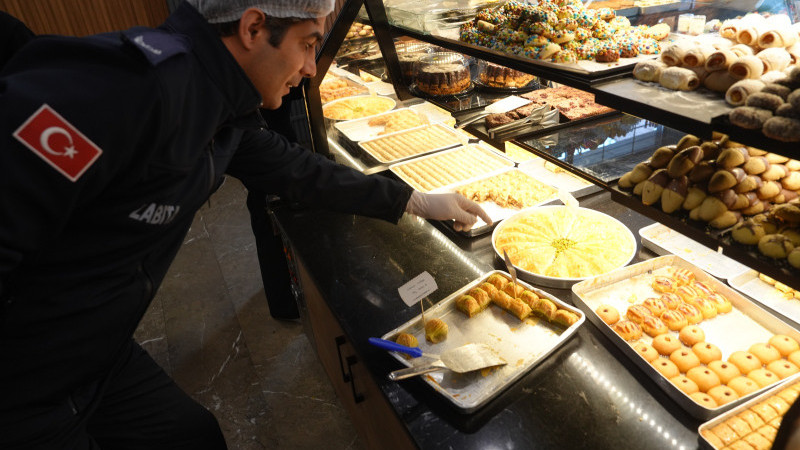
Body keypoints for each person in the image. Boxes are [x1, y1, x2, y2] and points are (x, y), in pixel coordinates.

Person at [0, 0, 490, 448]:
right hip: (27, 379)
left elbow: (297, 169)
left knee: (193, 436)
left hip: (98, 350)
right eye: (307, 44)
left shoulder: (222, 106)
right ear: (254, 27)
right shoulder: (121, 90)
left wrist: (416, 200)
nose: (309, 69)